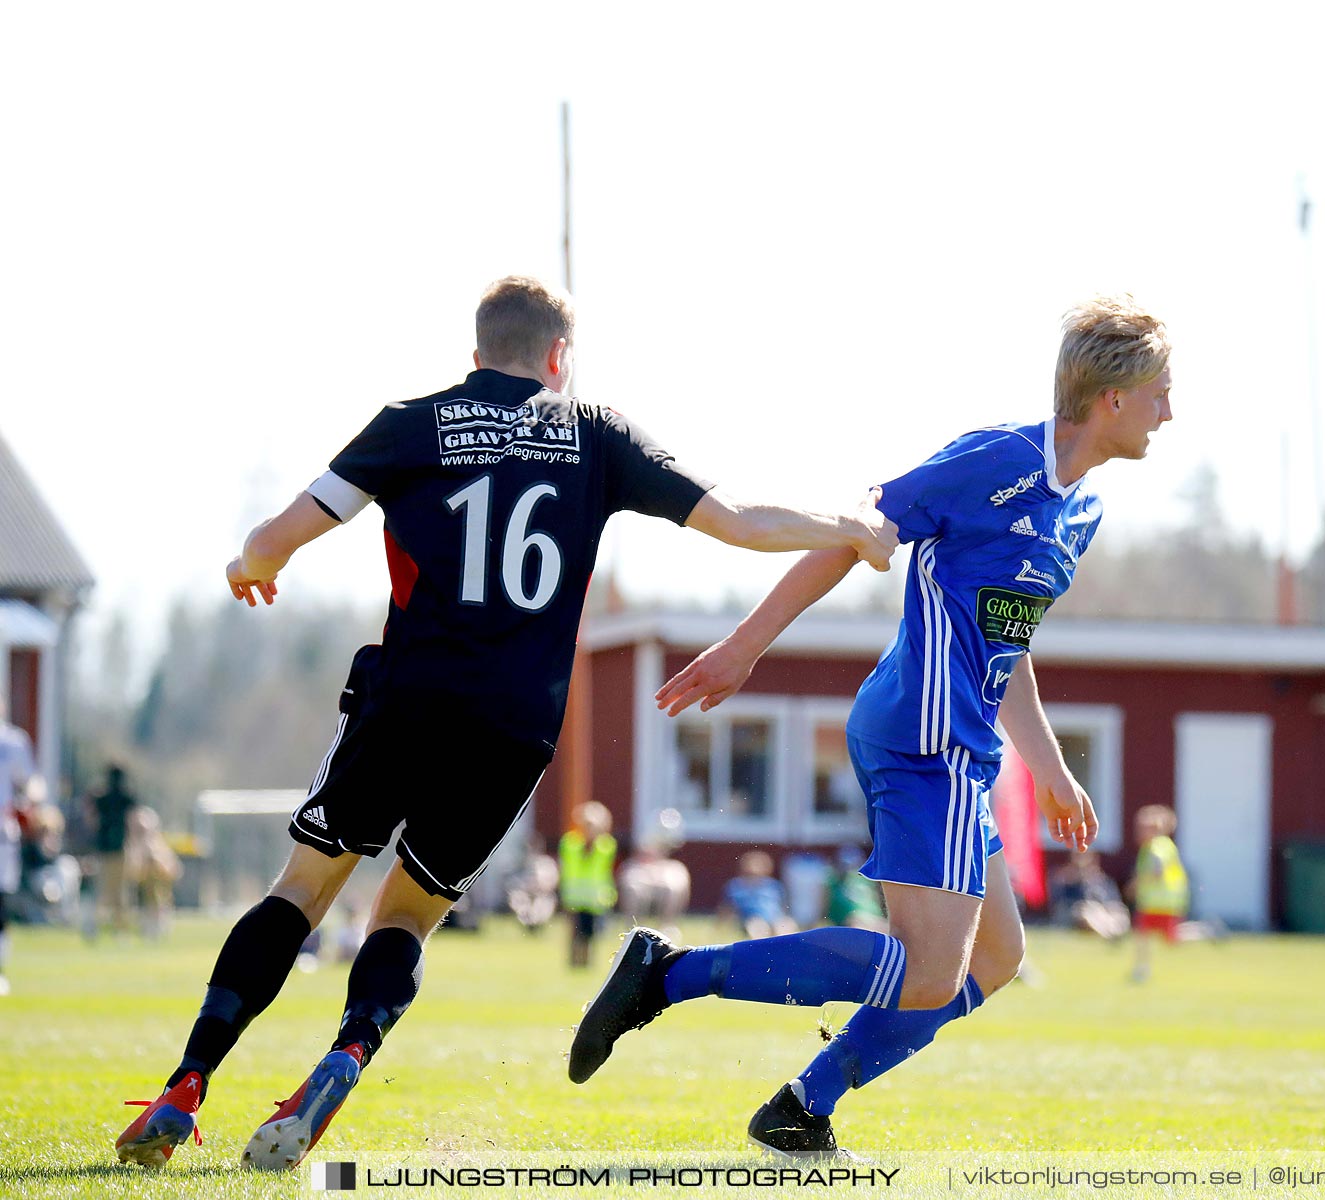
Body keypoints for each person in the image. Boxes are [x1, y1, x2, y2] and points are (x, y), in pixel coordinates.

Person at [113, 275, 899, 1171]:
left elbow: (280, 534)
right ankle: (347, 1052)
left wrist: (248, 563)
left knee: (303, 889)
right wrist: (848, 523)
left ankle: (189, 1079)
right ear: (560, 358)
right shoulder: (595, 431)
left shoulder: (410, 421)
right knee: (407, 913)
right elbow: (740, 522)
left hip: (407, 696)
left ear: (476, 352)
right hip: (515, 724)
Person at [569, 296, 1172, 1156]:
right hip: (916, 736)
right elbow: (856, 531)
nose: (1170, 412)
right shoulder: (995, 461)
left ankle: (800, 1109)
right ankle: (667, 976)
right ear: (1113, 400)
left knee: (992, 961)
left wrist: (1047, 766)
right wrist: (744, 647)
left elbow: (1008, 645)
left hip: (966, 752)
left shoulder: (1082, 511)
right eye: (1161, 392)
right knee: (929, 973)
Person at [0, 700, 47, 996]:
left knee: (1, 902)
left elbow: (31, 782)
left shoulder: (12, 742)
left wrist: (31, 802)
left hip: (2, 834)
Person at [1128, 805, 1189, 980]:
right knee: (1146, 935)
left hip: (1160, 901)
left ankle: (1141, 969)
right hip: (1160, 901)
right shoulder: (1162, 846)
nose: (1139, 833)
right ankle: (1141, 968)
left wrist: (1136, 883)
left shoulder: (1156, 847)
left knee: (1161, 938)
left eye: (1144, 828)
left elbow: (1156, 869)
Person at [558, 804, 617, 966]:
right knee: (574, 932)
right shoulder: (571, 843)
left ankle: (587, 962)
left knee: (590, 933)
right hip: (574, 896)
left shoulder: (606, 845)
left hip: (594, 898)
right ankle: (573, 962)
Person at [87, 765, 138, 937]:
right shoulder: (125, 797)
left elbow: (91, 819)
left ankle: (99, 927)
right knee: (119, 891)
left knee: (103, 889)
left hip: (104, 848)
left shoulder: (101, 797)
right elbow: (133, 821)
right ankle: (118, 929)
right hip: (118, 848)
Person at [124, 806, 183, 941]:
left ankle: (156, 928)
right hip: (137, 890)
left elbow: (174, 869)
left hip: (157, 892)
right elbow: (131, 871)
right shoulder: (129, 845)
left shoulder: (159, 844)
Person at [1048, 849, 1128, 941]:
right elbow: (1060, 902)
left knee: (1116, 913)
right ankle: (1108, 935)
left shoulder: (1100, 880)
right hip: (1078, 913)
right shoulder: (1065, 879)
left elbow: (1112, 901)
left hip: (1101, 911)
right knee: (1086, 914)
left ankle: (1112, 932)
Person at [721, 850, 797, 939]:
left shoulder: (773, 885)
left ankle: (783, 948)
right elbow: (726, 909)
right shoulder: (736, 886)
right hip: (753, 919)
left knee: (785, 926)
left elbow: (783, 906)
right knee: (758, 928)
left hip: (775, 919)